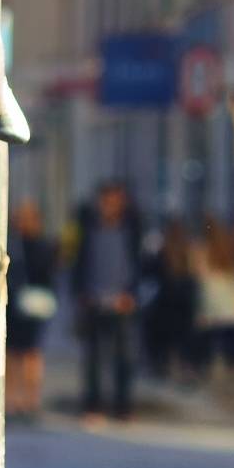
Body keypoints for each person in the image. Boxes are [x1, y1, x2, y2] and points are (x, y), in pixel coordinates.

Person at [72, 182, 147, 425]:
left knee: (124, 357)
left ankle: (123, 406)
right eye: (106, 200)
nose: (109, 205)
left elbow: (140, 265)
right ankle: (93, 406)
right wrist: (81, 293)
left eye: (115, 200)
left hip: (123, 301)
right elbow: (78, 262)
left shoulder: (133, 229)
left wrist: (132, 295)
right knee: (93, 357)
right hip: (93, 299)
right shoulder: (87, 227)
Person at [5, 202, 58, 421]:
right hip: (16, 306)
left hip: (31, 306)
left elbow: (48, 275)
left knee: (30, 355)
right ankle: (14, 400)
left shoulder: (40, 246)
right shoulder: (14, 244)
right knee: (14, 355)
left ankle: (28, 399)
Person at [144, 220, 201, 384]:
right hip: (185, 302)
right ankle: (186, 368)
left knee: (164, 338)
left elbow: (149, 271)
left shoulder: (162, 252)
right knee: (185, 339)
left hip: (167, 302)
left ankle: (163, 366)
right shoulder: (187, 252)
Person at [195, 220, 234, 386]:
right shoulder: (228, 251)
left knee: (213, 344)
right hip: (231, 306)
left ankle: (215, 374)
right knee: (230, 346)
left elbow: (200, 276)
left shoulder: (202, 252)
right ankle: (230, 373)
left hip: (212, 305)